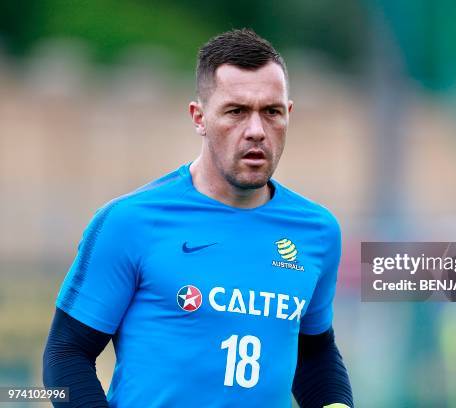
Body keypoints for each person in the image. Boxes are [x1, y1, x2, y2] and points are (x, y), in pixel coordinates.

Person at [42, 29, 353, 408]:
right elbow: (66, 355)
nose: (256, 131)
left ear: (288, 115)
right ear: (199, 117)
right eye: (236, 111)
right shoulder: (130, 222)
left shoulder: (317, 232)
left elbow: (314, 351)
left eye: (270, 112)